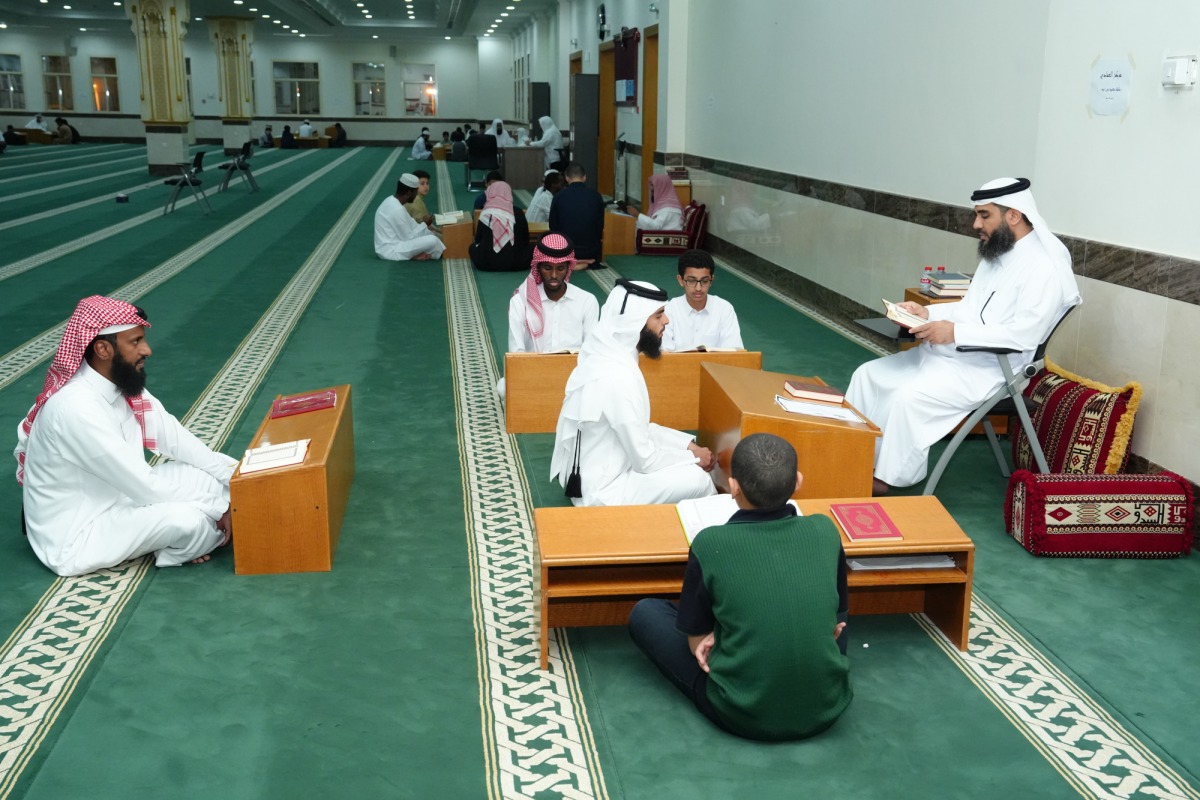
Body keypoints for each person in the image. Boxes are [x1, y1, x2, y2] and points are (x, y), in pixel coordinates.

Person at [845, 177, 1081, 493]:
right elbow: (971, 309)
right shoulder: (999, 252)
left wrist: (954, 333)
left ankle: (887, 478)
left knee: (906, 398)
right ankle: (850, 456)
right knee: (867, 375)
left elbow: (1024, 336)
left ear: (1013, 215)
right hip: (951, 356)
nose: (975, 224)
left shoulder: (1043, 269)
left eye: (984, 215)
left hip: (990, 370)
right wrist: (927, 313)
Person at [628, 433, 852, 741]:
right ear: (798, 481)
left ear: (733, 487)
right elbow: (837, 621)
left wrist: (714, 637)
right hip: (829, 705)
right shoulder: (825, 530)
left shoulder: (711, 542)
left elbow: (697, 645)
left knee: (646, 612)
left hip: (740, 712)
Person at [15, 296, 237, 576]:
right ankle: (177, 546)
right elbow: (144, 486)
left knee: (212, 474)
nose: (147, 350)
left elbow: (175, 438)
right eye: (135, 342)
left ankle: (192, 537)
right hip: (80, 533)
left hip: (121, 497)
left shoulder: (119, 383)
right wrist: (221, 509)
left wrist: (240, 483)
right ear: (103, 349)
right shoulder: (75, 408)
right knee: (187, 520)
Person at [550, 279, 717, 506]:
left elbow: (640, 429)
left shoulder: (608, 355)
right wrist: (694, 458)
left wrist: (688, 446)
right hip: (604, 491)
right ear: (633, 323)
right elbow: (644, 461)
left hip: (599, 473)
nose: (666, 321)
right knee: (699, 480)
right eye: (658, 315)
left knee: (687, 468)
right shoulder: (618, 375)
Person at [496, 234, 600, 400]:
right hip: (534, 373)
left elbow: (591, 350)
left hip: (574, 375)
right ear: (538, 267)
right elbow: (517, 352)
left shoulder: (587, 301)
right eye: (547, 268)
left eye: (560, 269)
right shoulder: (520, 301)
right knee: (503, 388)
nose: (553, 275)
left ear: (568, 268)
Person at [662, 249, 744, 351]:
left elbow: (734, 351)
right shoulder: (669, 310)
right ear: (681, 280)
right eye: (691, 281)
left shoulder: (724, 309)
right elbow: (665, 353)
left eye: (705, 281)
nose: (698, 288)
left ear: (711, 281)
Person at [374, 173, 446, 261]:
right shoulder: (397, 209)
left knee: (428, 234)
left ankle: (420, 253)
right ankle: (440, 253)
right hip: (391, 250)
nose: (416, 196)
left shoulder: (391, 200)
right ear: (409, 193)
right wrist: (425, 226)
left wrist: (425, 226)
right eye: (415, 193)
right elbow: (409, 238)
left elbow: (412, 226)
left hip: (398, 241)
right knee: (432, 240)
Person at [549, 162, 606, 269]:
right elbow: (600, 226)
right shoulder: (596, 196)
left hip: (565, 250)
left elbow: (553, 226)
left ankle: (570, 263)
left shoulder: (558, 196)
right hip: (590, 250)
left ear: (566, 178)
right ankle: (585, 263)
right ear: (584, 177)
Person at [469, 180, 530, 272]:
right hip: (516, 263)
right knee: (533, 248)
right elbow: (525, 238)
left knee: (472, 247)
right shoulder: (518, 212)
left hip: (487, 264)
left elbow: (478, 239)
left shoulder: (486, 213)